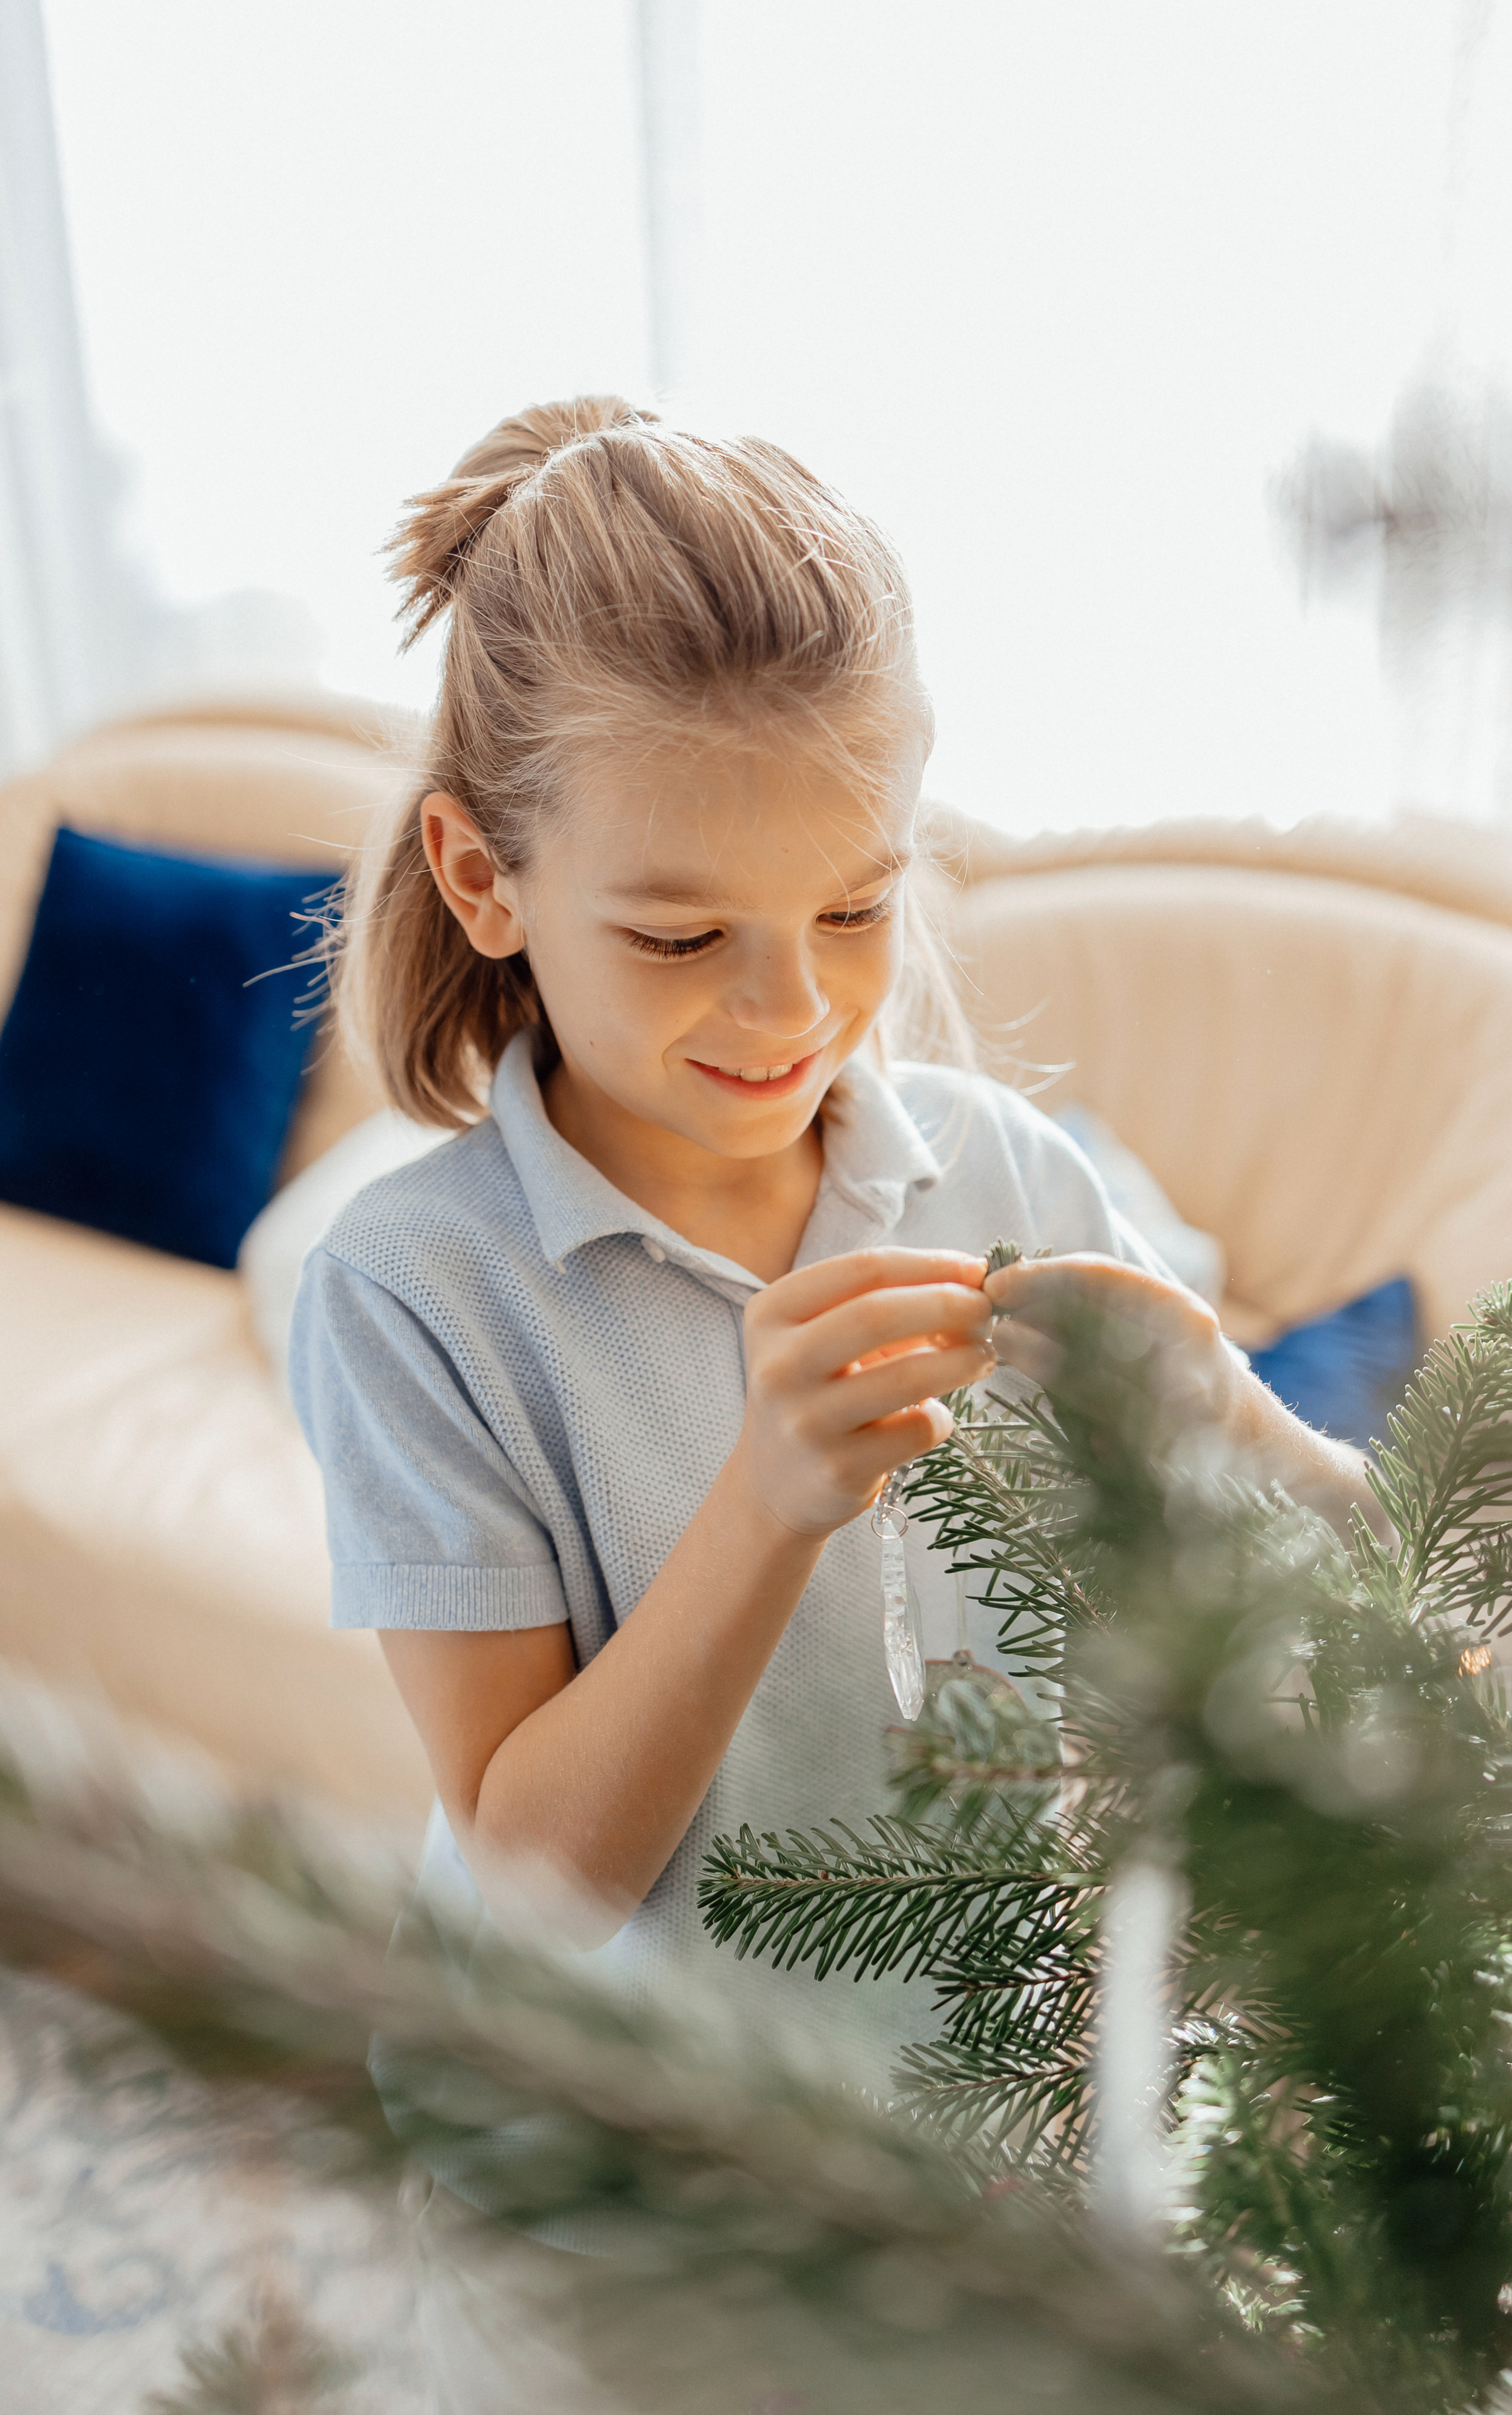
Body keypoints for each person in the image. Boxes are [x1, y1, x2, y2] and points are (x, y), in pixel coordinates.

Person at [291, 391, 1383, 2077]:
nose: (796, 1008)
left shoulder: (1004, 1171)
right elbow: (527, 1886)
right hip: (631, 2181)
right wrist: (767, 1503)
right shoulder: (415, 1293)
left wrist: (1235, 1415)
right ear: (482, 875)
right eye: (679, 934)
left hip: (986, 2126)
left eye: (857, 908)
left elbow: (1368, 1589)